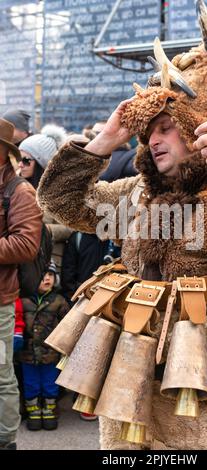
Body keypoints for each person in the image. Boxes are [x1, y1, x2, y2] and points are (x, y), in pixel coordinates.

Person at [37, 2, 207, 450]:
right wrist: (103, 142)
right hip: (128, 390)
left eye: (165, 127)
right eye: (149, 131)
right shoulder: (136, 193)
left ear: (199, 127)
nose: (153, 139)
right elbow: (61, 202)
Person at [0, 119, 42, 449]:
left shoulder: (20, 191)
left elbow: (25, 246)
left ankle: (5, 441)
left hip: (0, 302)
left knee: (1, 377)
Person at [18, 261, 69, 431]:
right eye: (42, 275)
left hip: (50, 353)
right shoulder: (23, 301)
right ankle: (33, 410)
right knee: (31, 383)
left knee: (50, 383)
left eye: (51, 275)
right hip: (27, 353)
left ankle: (49, 409)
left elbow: (67, 325)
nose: (47, 278)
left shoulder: (59, 301)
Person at [18, 125, 72, 275]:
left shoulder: (60, 190)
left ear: (41, 163)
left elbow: (71, 227)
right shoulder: (16, 187)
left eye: (26, 160)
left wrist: (42, 229)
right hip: (22, 260)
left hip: (49, 264)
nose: (20, 164)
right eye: (18, 159)